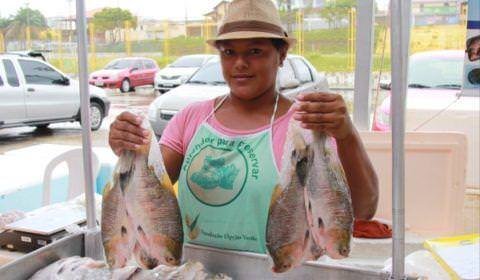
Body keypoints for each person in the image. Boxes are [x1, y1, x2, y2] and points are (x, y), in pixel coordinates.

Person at [108, 0, 378, 254]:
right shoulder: (191, 117)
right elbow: (148, 190)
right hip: (198, 271)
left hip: (279, 270)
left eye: (255, 51)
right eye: (229, 52)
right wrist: (129, 148)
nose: (240, 63)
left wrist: (347, 135)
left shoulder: (305, 125)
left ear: (281, 54)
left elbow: (363, 209)